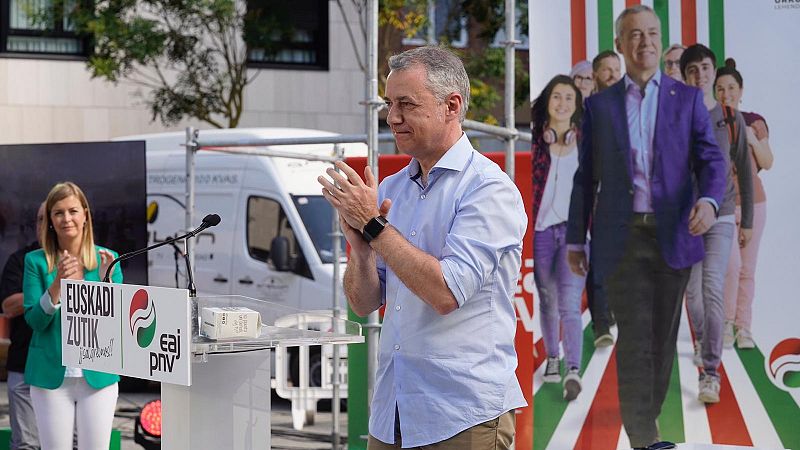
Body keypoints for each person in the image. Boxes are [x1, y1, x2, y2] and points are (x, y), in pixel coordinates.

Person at [317, 46, 526, 449]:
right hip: (392, 410)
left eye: (406, 104)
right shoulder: (393, 188)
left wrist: (374, 226)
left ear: (452, 106)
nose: (391, 117)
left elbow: (445, 293)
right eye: (389, 104)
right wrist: (360, 251)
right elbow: (363, 304)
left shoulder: (489, 188)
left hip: (463, 415)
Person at [566, 6, 727, 449]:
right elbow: (586, 177)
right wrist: (576, 238)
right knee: (635, 335)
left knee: (661, 337)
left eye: (652, 33)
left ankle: (647, 417)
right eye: (635, 35)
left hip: (673, 235)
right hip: (621, 238)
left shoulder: (687, 99)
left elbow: (712, 159)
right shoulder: (599, 107)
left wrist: (710, 201)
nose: (646, 42)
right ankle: (643, 435)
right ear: (620, 45)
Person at [23, 182, 122, 450]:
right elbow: (34, 320)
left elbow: (118, 324)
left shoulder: (108, 259)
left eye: (73, 211)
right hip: (51, 378)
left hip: (98, 376)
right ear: (50, 220)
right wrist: (57, 284)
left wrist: (107, 284)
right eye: (58, 212)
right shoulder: (36, 261)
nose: (66, 218)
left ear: (85, 215)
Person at [680, 43, 753, 404]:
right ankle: (700, 339)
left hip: (723, 214)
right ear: (684, 75)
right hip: (687, 219)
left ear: (713, 71)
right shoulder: (675, 116)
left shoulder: (730, 117)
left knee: (712, 288)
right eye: (692, 69)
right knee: (692, 293)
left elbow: (745, 170)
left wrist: (748, 220)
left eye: (705, 67)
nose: (699, 74)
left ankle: (711, 372)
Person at [530, 75, 586, 400]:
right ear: (548, 102)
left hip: (575, 233)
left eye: (569, 98)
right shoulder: (536, 141)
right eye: (557, 97)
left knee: (569, 303)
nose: (562, 103)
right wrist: (545, 139)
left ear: (576, 105)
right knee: (547, 299)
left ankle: (574, 369)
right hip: (542, 232)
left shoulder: (586, 142)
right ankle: (553, 356)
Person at [716, 58, 774, 350]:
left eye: (731, 88)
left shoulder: (754, 121)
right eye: (720, 89)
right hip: (724, 206)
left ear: (741, 90)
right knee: (730, 266)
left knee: (747, 268)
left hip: (755, 203)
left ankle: (744, 327)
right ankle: (726, 321)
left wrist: (752, 140)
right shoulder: (710, 123)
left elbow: (767, 162)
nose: (726, 94)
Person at [0, 203, 45, 450]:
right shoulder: (21, 260)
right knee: (27, 445)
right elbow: (8, 305)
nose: (43, 225)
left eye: (48, 218)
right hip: (25, 364)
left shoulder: (85, 259)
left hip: (70, 370)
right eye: (38, 219)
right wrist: (53, 289)